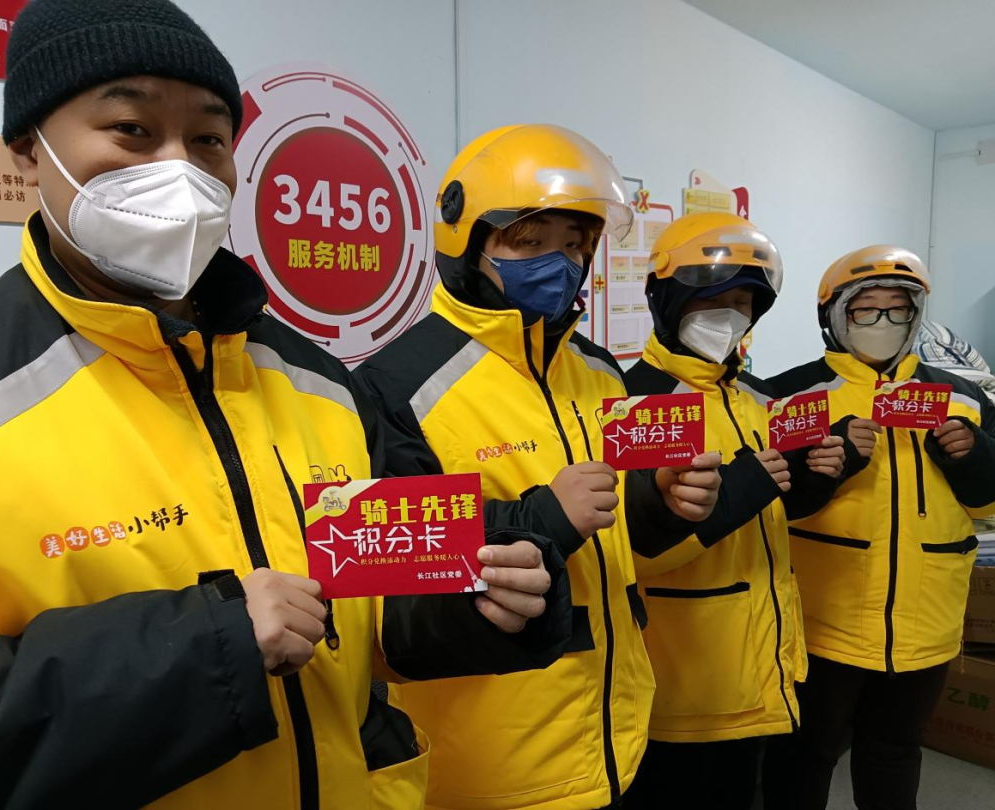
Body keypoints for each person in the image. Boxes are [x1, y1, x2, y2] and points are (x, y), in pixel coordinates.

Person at [0, 2, 569, 807]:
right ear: (28, 148)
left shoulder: (317, 379)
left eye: (208, 140)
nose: (179, 170)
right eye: (131, 129)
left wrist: (485, 598)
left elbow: (375, 614)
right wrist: (204, 651)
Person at [355, 124, 724, 810]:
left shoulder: (599, 370)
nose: (560, 263)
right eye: (530, 242)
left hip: (615, 732)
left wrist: (662, 498)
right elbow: (389, 583)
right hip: (491, 763)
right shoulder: (397, 384)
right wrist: (544, 518)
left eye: (576, 244)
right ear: (468, 241)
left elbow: (621, 530)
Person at [620, 212, 847, 810]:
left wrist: (815, 479)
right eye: (711, 300)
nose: (729, 315)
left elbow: (778, 512)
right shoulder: (628, 404)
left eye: (743, 302)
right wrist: (739, 491)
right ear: (668, 301)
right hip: (679, 681)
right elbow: (629, 550)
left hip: (763, 664)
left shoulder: (759, 399)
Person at [762, 246, 995, 810]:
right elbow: (767, 506)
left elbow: (987, 502)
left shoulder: (962, 397)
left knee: (895, 754)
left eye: (898, 308)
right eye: (866, 309)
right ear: (834, 315)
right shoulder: (788, 397)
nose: (883, 321)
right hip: (821, 624)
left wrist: (972, 456)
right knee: (804, 756)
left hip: (925, 622)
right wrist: (822, 468)